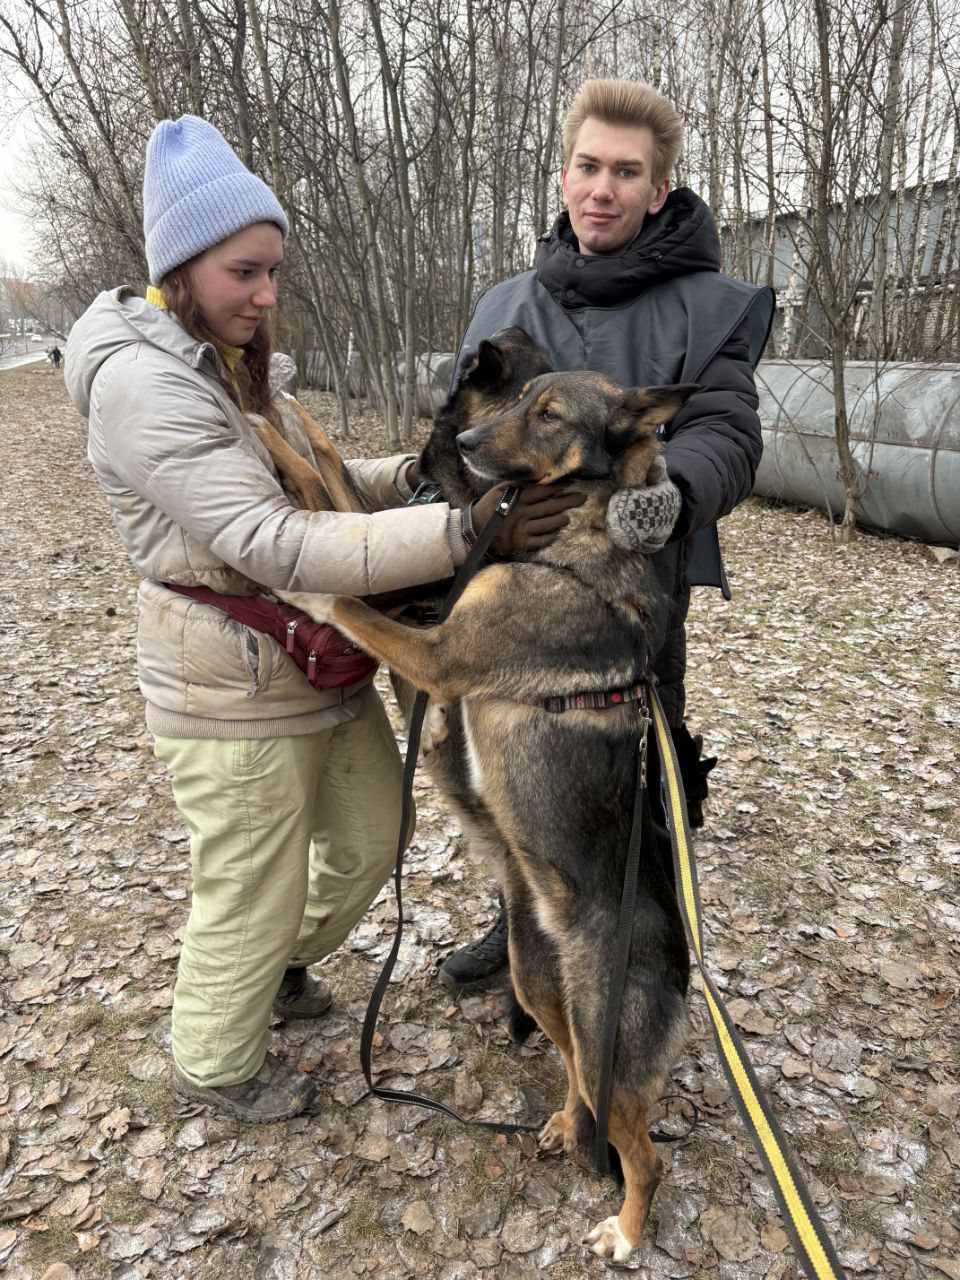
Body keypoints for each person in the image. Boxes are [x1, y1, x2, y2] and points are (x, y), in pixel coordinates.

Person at [63, 115, 583, 1123]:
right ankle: (215, 1058)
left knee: (362, 840)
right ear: (181, 265)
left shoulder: (238, 363)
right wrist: (465, 528)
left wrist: (432, 473)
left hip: (313, 655)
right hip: (232, 675)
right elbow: (279, 539)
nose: (265, 295)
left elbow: (328, 493)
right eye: (244, 272)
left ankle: (266, 965)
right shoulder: (146, 385)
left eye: (272, 272)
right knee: (250, 881)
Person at [438, 78, 775, 992]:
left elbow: (728, 433)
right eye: (589, 166)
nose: (603, 188)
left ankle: (642, 956)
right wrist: (465, 513)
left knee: (628, 783)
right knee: (503, 764)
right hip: (512, 577)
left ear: (658, 189)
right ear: (563, 173)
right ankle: (522, 933)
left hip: (634, 591)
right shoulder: (507, 301)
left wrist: (675, 493)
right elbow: (459, 430)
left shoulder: (707, 306)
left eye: (627, 172)